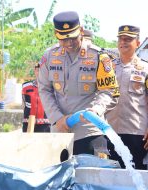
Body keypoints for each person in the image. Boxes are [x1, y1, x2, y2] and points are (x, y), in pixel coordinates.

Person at [38, 11, 119, 155]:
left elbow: (109, 90)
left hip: (89, 131)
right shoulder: (49, 56)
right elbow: (44, 89)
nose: (69, 43)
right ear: (56, 34)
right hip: (60, 131)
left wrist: (96, 110)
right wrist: (57, 119)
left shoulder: (99, 56)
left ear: (81, 31)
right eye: (63, 39)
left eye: (73, 38)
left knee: (89, 175)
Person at [106, 25, 148, 170]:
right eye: (120, 39)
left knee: (136, 172)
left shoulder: (147, 68)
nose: (123, 42)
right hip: (111, 129)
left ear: (137, 43)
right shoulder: (108, 68)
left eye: (128, 39)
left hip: (137, 131)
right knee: (112, 174)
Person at [22, 63, 51, 132]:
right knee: (28, 142)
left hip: (45, 124)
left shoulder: (51, 87)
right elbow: (23, 104)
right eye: (38, 70)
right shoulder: (25, 86)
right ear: (35, 71)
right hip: (28, 123)